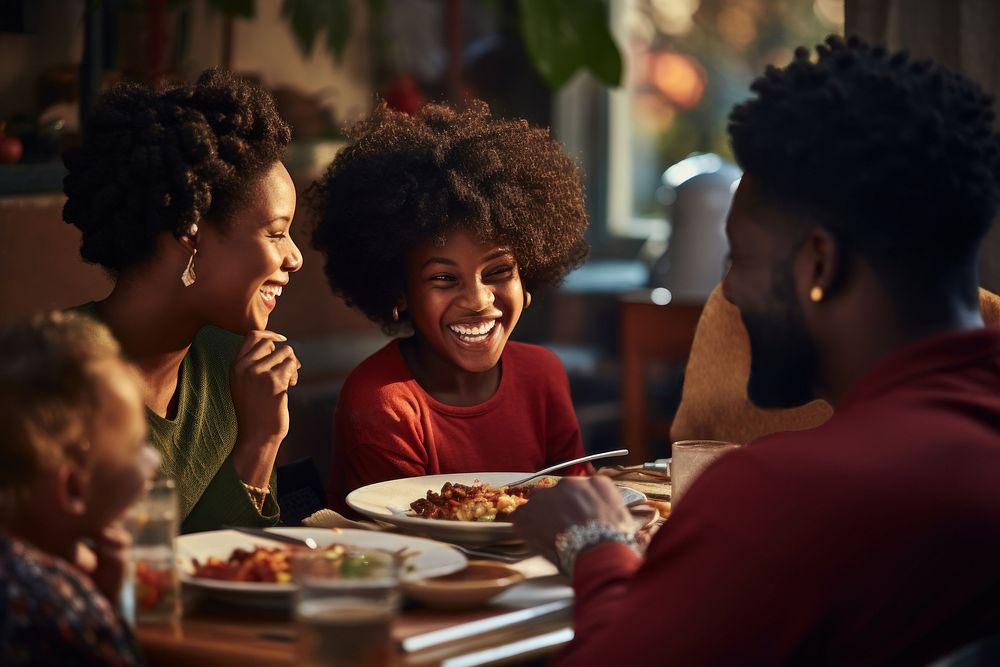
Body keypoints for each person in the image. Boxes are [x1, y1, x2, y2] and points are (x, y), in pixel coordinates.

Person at [513, 35, 1000, 666]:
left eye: (739, 258)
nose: (731, 294)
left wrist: (596, 544)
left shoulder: (787, 495)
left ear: (819, 262)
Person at [310, 101, 592, 514]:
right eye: (443, 279)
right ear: (399, 290)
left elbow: (581, 507)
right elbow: (411, 541)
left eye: (498, 271)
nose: (478, 300)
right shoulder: (383, 402)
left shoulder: (543, 376)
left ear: (527, 275)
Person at [62, 69, 303, 533]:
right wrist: (256, 443)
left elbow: (247, 570)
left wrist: (265, 438)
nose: (294, 258)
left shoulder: (237, 364)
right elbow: (131, 583)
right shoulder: (53, 380)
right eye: (276, 233)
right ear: (189, 232)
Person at [0, 311, 160, 665]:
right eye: (136, 446)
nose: (154, 461)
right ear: (73, 487)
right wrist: (101, 611)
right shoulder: (59, 610)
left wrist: (100, 593)